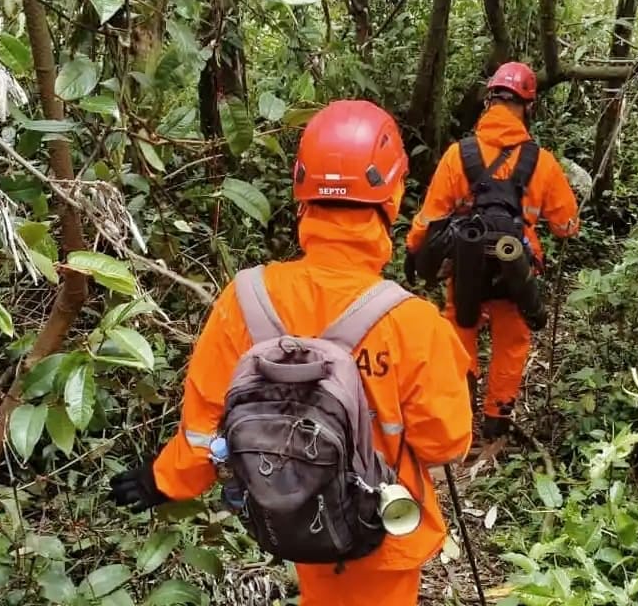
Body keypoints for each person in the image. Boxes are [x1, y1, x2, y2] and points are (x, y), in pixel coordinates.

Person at [109, 100, 474, 606]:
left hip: (291, 511)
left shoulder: (247, 299)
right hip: (380, 535)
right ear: (392, 196)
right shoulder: (414, 322)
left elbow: (203, 428)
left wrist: (163, 479)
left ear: (301, 190)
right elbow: (446, 445)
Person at [404, 62, 579, 440]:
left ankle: (461, 407)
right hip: (515, 265)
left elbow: (430, 216)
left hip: (467, 261)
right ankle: (497, 418)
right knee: (512, 340)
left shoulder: (459, 155)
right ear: (528, 107)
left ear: (489, 103)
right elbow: (567, 226)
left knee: (460, 326)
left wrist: (413, 248)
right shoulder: (542, 162)